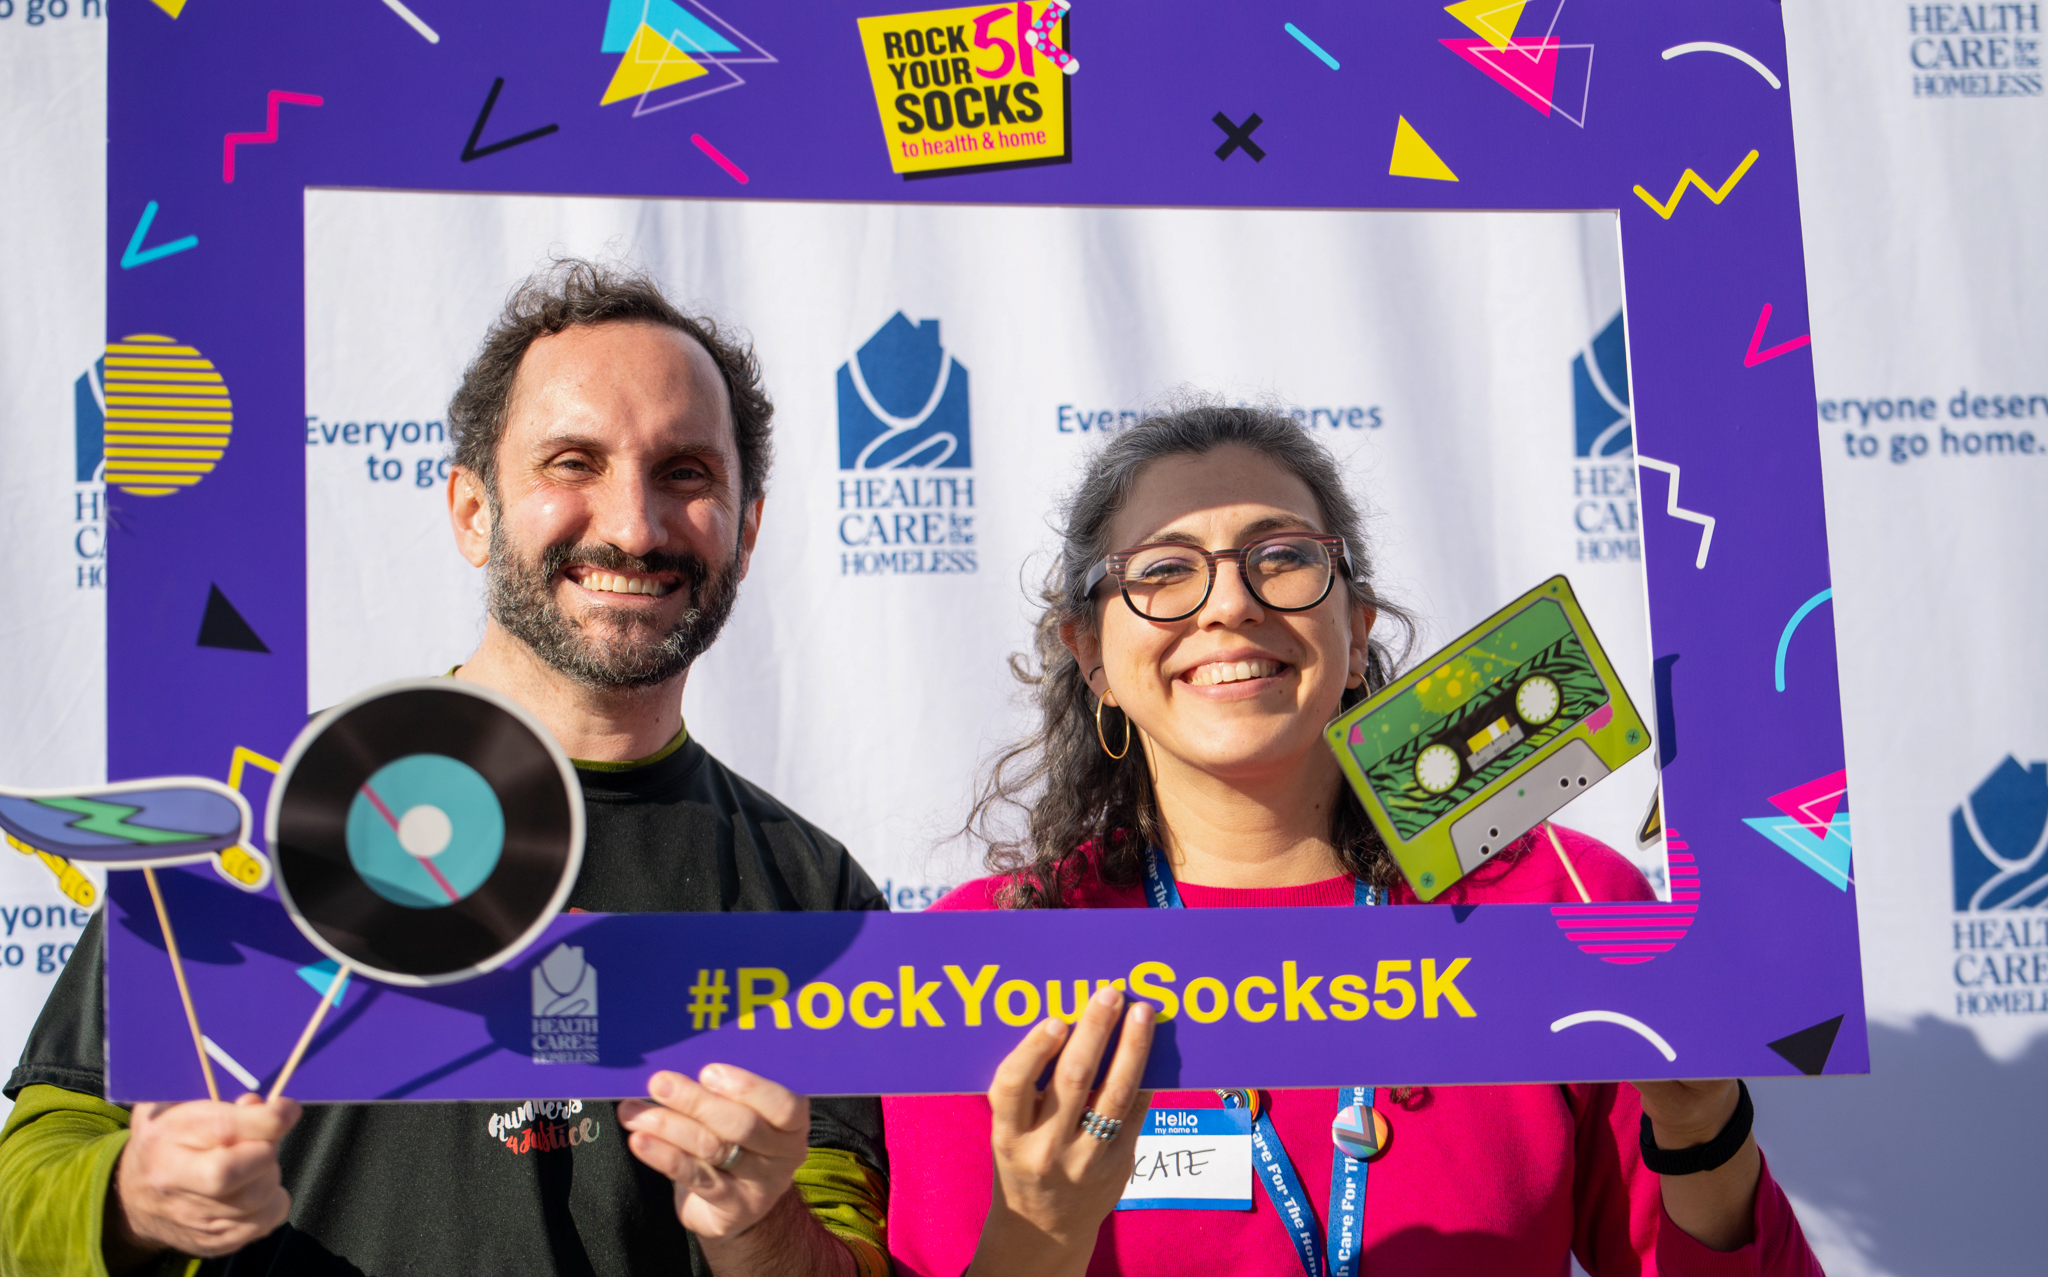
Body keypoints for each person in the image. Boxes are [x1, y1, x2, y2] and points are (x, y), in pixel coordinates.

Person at [0, 260, 887, 1276]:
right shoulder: (265, 814)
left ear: (747, 527)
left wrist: (756, 1221)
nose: (634, 525)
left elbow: (841, 1249)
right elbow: (28, 1184)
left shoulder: (815, 897)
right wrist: (136, 1200)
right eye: (572, 462)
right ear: (472, 511)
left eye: (685, 472)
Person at [883, 403, 1822, 1276]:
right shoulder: (984, 961)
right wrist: (1039, 1231)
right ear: (1091, 652)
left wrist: (1705, 1125)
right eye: (1165, 570)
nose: (1229, 605)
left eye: (1282, 556)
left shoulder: (1562, 906)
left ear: (1356, 622)